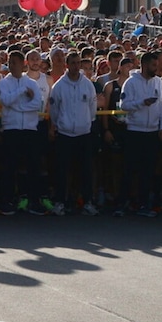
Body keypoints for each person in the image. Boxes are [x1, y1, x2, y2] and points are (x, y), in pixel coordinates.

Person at [48, 51, 99, 217]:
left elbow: (92, 107)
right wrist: (60, 124)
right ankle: (60, 202)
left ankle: (87, 202)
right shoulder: (59, 86)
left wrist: (86, 122)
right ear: (67, 65)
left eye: (78, 63)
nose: (76, 66)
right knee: (62, 171)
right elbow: (54, 110)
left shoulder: (88, 85)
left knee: (86, 170)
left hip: (84, 133)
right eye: (73, 63)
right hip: (65, 134)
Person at [119, 51, 162, 217]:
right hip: (135, 131)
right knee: (129, 170)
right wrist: (141, 103)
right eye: (153, 65)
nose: (156, 68)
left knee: (148, 171)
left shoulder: (158, 82)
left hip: (152, 132)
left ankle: (143, 204)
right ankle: (123, 203)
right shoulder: (131, 83)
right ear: (145, 65)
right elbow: (124, 105)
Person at [0, 50, 46, 215]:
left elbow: (37, 104)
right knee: (9, 167)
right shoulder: (3, 83)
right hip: (12, 129)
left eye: (15, 62)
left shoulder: (31, 83)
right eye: (10, 62)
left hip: (30, 130)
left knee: (33, 167)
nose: (12, 65)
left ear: (22, 64)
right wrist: (21, 92)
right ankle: (7, 200)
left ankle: (34, 201)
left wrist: (17, 106)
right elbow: (6, 100)